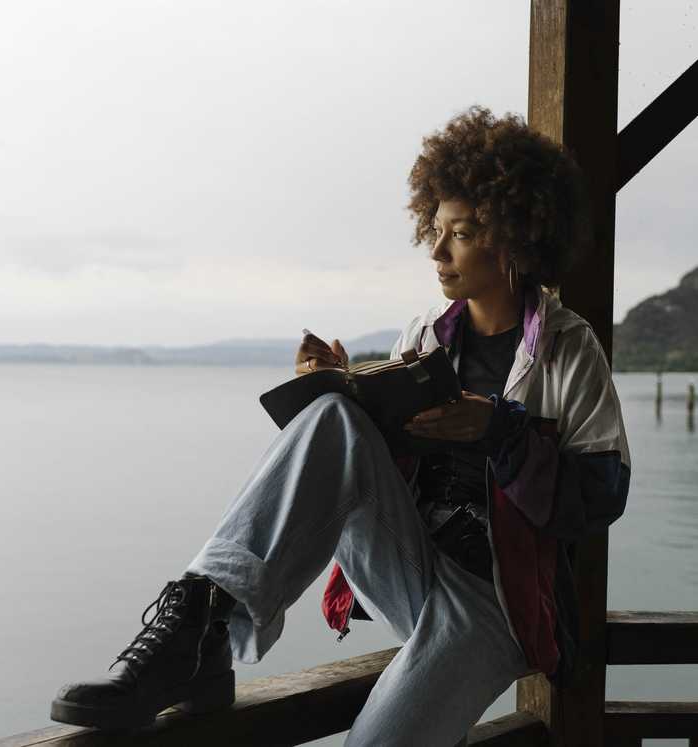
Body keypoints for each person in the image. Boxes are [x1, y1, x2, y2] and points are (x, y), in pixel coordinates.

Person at [49, 106, 631, 746]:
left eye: (460, 234)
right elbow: (365, 462)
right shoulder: (422, 338)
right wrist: (351, 390)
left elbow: (598, 500)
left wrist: (500, 431)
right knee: (330, 413)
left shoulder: (569, 351)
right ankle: (205, 624)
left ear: (517, 237)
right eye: (435, 230)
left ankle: (213, 638)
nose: (436, 252)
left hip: (498, 602)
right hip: (408, 564)